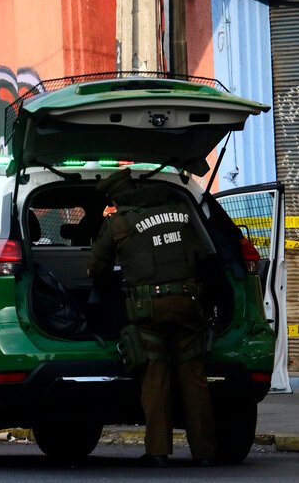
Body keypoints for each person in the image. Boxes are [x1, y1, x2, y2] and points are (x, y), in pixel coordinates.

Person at [88, 168, 216, 468]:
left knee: (155, 380)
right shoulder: (181, 211)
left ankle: (158, 452)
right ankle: (206, 453)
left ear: (117, 197)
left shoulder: (118, 224)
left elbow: (96, 269)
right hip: (189, 305)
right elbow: (205, 255)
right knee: (194, 379)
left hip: (150, 312)